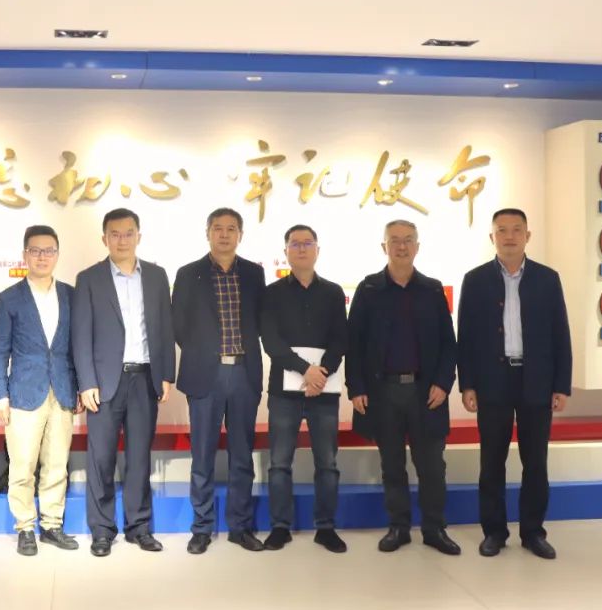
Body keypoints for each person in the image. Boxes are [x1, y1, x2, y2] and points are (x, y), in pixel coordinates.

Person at [458, 208, 571, 560]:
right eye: (502, 230)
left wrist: (561, 385)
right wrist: (467, 384)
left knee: (535, 461)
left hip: (536, 379)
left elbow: (560, 333)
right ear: (492, 237)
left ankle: (533, 532)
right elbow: (466, 337)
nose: (509, 236)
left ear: (527, 236)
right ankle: (494, 532)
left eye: (516, 230)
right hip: (492, 380)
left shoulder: (547, 279)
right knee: (492, 461)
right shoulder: (475, 280)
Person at [346, 220, 460, 555]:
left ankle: (434, 528)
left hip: (426, 393)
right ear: (384, 247)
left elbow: (448, 344)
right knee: (392, 465)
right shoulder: (368, 289)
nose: (401, 246)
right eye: (394, 240)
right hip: (383, 392)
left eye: (408, 240)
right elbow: (354, 344)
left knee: (432, 466)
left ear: (417, 246)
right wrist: (356, 387)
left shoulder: (432, 290)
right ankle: (398, 527)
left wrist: (443, 383)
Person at [72, 208, 176, 557]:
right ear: (104, 238)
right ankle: (102, 531)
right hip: (103, 384)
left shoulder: (157, 276)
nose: (122, 240)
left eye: (128, 233)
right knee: (100, 459)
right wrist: (86, 382)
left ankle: (139, 527)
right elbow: (81, 335)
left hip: (145, 378)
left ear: (138, 236)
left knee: (139, 458)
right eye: (114, 234)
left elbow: (164, 328)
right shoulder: (89, 278)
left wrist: (166, 374)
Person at [172, 207, 266, 554]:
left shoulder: (254, 273)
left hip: (243, 372)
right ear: (207, 232)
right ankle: (201, 528)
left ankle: (240, 527)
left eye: (231, 228)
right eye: (217, 228)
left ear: (240, 234)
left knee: (242, 455)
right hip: (204, 375)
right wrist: (202, 352)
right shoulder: (188, 273)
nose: (224, 234)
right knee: (202, 455)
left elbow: (261, 320)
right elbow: (178, 325)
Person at [0, 225, 80, 556]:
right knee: (23, 465)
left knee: (57, 463)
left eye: (49, 250)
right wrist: (0, 394)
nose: (42, 257)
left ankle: (52, 525)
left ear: (57, 254)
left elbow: (78, 346)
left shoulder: (71, 295)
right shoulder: (9, 298)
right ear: (25, 255)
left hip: (63, 390)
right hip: (23, 393)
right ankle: (25, 528)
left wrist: (80, 386)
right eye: (36, 250)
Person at [259, 224, 348, 553]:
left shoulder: (333, 292)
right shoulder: (271, 293)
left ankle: (325, 527)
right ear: (286, 252)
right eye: (294, 244)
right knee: (279, 463)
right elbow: (271, 341)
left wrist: (320, 374)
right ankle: (280, 527)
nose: (300, 249)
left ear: (317, 250)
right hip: (284, 391)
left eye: (307, 243)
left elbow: (340, 338)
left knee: (327, 463)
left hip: (324, 390)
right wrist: (305, 371)